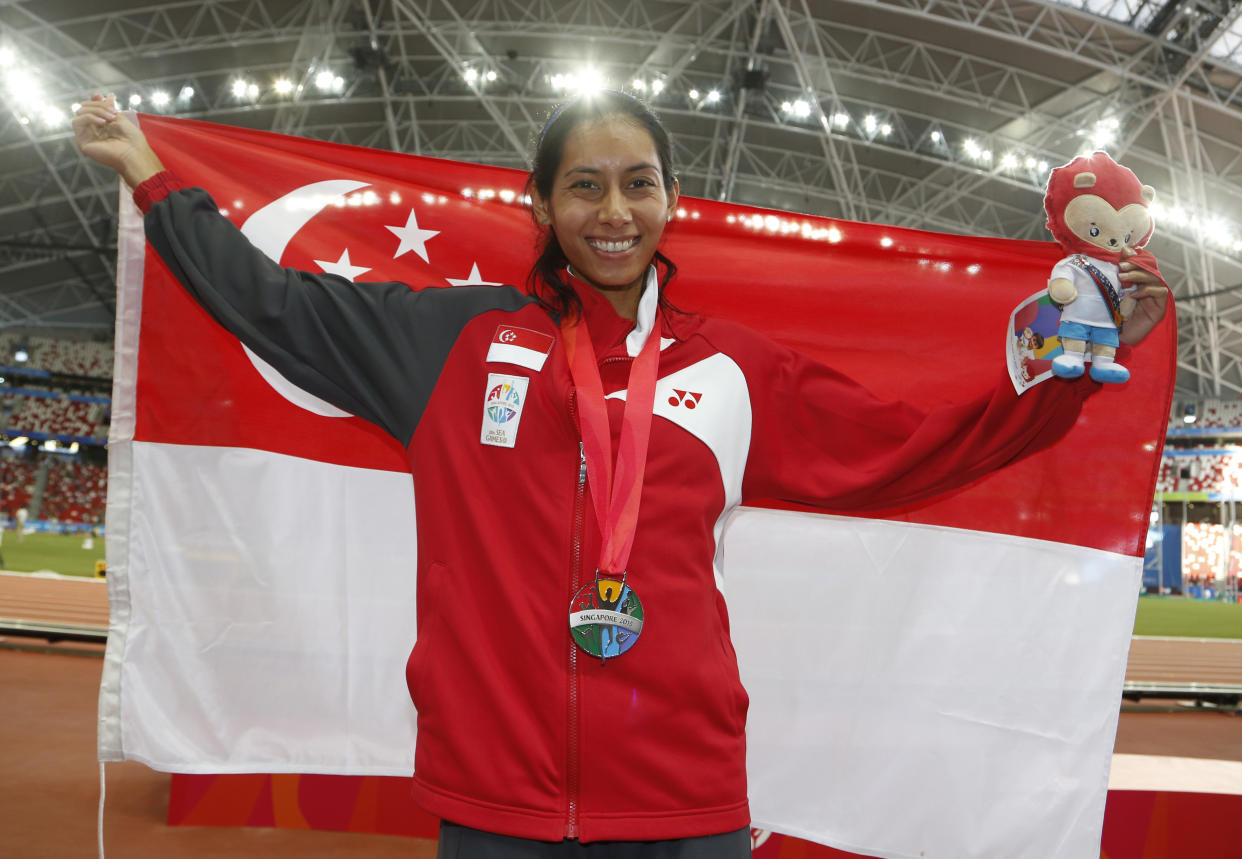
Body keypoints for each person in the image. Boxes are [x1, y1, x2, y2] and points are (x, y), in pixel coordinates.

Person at [73, 90, 1167, 857]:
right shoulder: (449, 343)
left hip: (684, 801)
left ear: (670, 200)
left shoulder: (732, 367)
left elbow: (909, 446)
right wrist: (156, 180)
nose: (613, 211)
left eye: (637, 184)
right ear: (540, 207)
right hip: (496, 800)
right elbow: (274, 305)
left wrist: (1057, 376)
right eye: (585, 188)